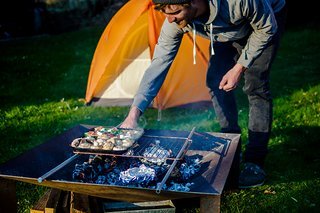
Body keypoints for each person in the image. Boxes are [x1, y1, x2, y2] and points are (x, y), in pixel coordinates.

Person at [120, 0, 287, 188]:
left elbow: (266, 28)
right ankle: (232, 143)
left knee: (255, 87)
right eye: (165, 13)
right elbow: (159, 63)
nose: (169, 19)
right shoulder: (175, 20)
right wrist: (134, 114)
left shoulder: (238, 2)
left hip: (262, 23)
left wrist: (239, 67)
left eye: (175, 12)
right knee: (215, 81)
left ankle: (254, 161)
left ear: (193, 2)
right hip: (225, 32)